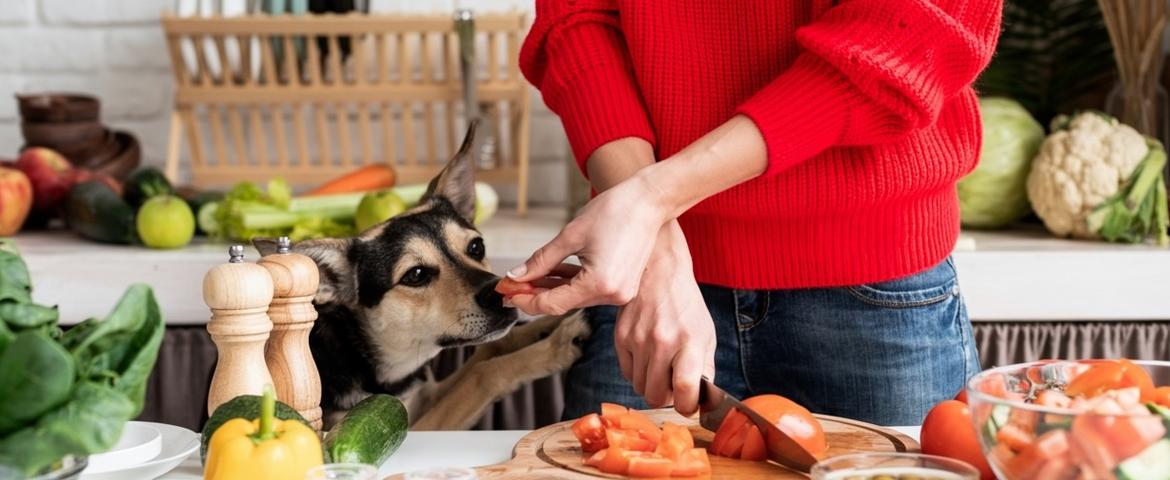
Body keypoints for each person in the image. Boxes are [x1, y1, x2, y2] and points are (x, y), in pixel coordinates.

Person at [508, 0, 1003, 426]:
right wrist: (653, 245)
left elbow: (909, 31)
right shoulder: (647, 246)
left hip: (873, 285)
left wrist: (650, 204)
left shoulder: (646, 211)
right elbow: (578, 18)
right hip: (643, 283)